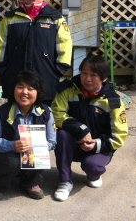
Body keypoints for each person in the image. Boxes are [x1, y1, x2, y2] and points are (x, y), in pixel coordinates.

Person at [52, 54, 128, 201]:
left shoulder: (113, 100)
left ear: (104, 78)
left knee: (92, 166)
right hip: (73, 143)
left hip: (99, 146)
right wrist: (82, 129)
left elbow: (119, 136)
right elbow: (57, 114)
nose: (87, 79)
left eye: (94, 75)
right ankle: (65, 181)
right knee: (61, 134)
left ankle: (93, 174)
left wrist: (95, 144)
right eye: (84, 73)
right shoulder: (67, 89)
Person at [0, 0, 72, 105]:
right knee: (14, 113)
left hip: (45, 77)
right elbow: (0, 45)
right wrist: (2, 70)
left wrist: (57, 71)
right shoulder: (10, 18)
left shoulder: (55, 18)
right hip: (15, 77)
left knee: (43, 113)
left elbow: (65, 45)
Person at [0, 70, 56, 201]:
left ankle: (30, 183)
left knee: (38, 155)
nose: (24, 92)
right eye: (20, 87)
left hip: (32, 152)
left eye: (30, 88)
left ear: (38, 92)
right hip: (6, 154)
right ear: (13, 89)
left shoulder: (46, 112)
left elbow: (52, 141)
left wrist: (38, 145)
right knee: (11, 161)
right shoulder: (1, 112)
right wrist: (12, 145)